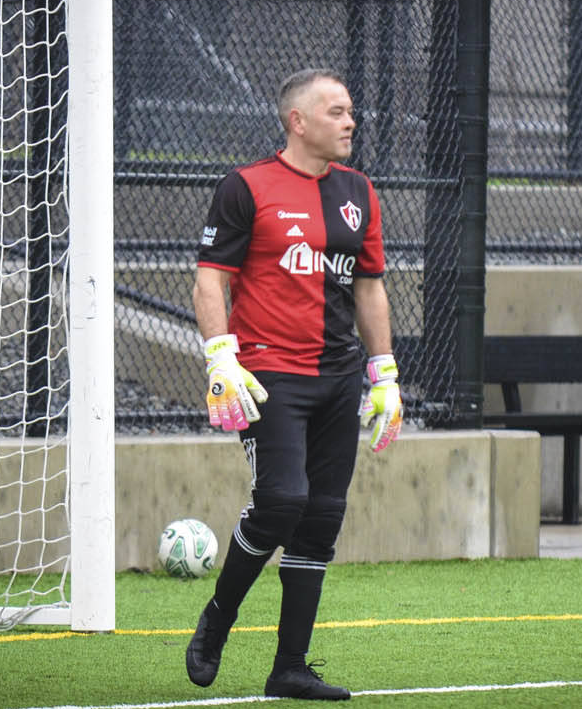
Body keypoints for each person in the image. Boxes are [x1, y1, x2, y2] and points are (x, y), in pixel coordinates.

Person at [186, 68, 403, 701]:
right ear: (297, 121)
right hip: (266, 374)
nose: (350, 122)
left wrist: (384, 373)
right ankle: (218, 619)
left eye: (352, 111)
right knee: (282, 500)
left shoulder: (359, 190)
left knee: (322, 517)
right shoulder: (245, 187)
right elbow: (209, 279)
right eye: (336, 112)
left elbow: (369, 288)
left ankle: (290, 667)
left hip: (338, 379)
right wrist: (220, 361)